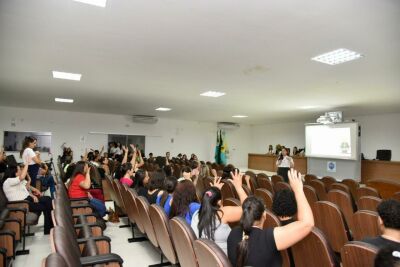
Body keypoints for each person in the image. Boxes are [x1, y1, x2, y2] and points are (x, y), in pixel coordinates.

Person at [227, 169, 314, 267]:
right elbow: (307, 224)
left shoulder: (233, 234)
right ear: (264, 215)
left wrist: (238, 187)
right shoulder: (268, 238)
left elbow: (247, 206)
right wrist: (298, 190)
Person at [191, 170, 248, 255]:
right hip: (224, 260)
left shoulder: (196, 214)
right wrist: (238, 187)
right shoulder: (223, 214)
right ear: (219, 202)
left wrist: (215, 191)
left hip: (205, 257)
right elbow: (249, 209)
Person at [3, 159, 54, 234]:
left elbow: (25, 188)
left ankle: (49, 228)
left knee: (48, 199)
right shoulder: (8, 181)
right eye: (19, 170)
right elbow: (22, 177)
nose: (21, 171)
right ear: (15, 172)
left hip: (28, 200)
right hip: (23, 204)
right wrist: (27, 163)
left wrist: (32, 195)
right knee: (47, 205)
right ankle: (49, 229)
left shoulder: (16, 180)